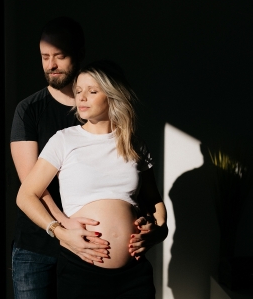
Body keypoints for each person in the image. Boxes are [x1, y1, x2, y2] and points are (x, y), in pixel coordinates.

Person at [10, 17, 166, 299]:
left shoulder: (133, 144)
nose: (81, 98)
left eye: (91, 92)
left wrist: (157, 232)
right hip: (69, 260)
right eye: (45, 57)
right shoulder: (58, 133)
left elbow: (153, 201)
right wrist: (61, 230)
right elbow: (28, 191)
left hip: (133, 273)